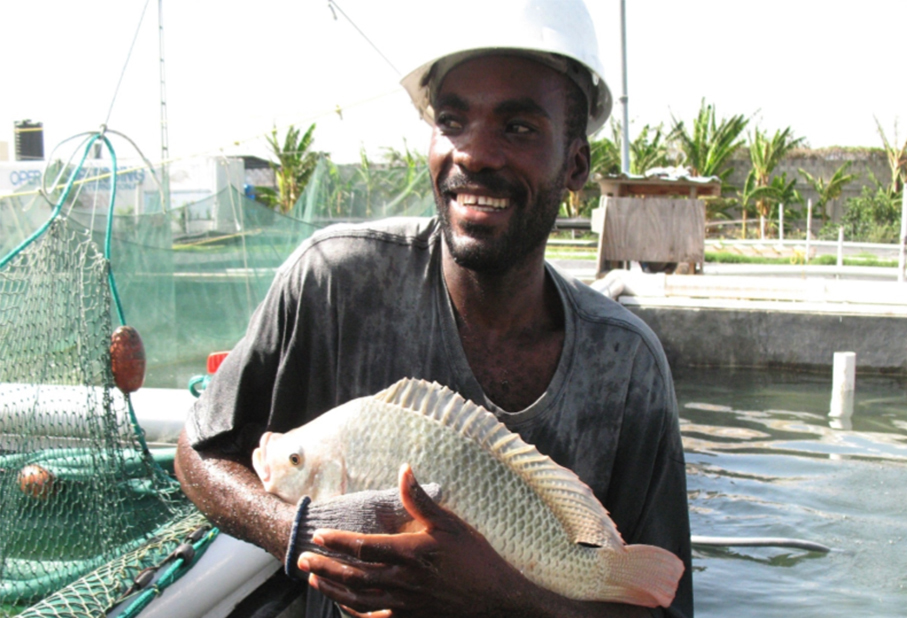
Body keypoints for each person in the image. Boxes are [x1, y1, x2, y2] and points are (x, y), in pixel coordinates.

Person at [175, 1, 693, 616]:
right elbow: (201, 450)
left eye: (519, 128)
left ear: (575, 163)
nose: (474, 154)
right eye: (452, 121)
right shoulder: (332, 282)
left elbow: (656, 604)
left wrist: (496, 596)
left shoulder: (626, 364)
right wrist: (301, 532)